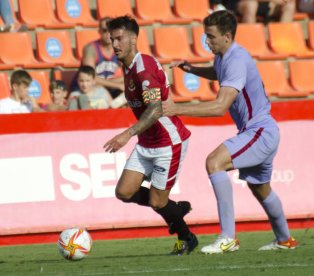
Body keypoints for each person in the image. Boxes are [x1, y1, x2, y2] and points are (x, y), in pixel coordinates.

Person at [163, 10, 297, 254]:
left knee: (215, 162)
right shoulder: (225, 56)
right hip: (263, 130)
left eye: (211, 37)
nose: (207, 42)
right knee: (261, 188)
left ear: (226, 36)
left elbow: (219, 107)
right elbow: (217, 72)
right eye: (206, 36)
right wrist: (192, 69)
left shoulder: (235, 60)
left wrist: (176, 108)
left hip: (259, 131)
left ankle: (228, 238)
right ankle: (284, 240)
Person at [104, 16, 198, 255]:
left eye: (119, 38)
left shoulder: (143, 68)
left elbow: (156, 109)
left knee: (157, 202)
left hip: (168, 141)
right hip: (148, 141)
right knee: (124, 192)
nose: (114, 44)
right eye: (111, 39)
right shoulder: (129, 66)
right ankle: (175, 209)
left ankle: (186, 237)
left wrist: (127, 134)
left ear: (134, 38)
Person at [81, 17, 124, 99]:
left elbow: (129, 76)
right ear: (99, 31)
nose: (108, 33)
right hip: (87, 89)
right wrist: (118, 85)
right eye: (105, 30)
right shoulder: (91, 49)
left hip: (108, 88)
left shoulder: (120, 48)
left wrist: (107, 83)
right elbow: (89, 79)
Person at [225, 0, 295, 23]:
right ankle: (251, 40)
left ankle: (283, 40)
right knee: (251, 5)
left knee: (289, 5)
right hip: (240, 4)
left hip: (267, 5)